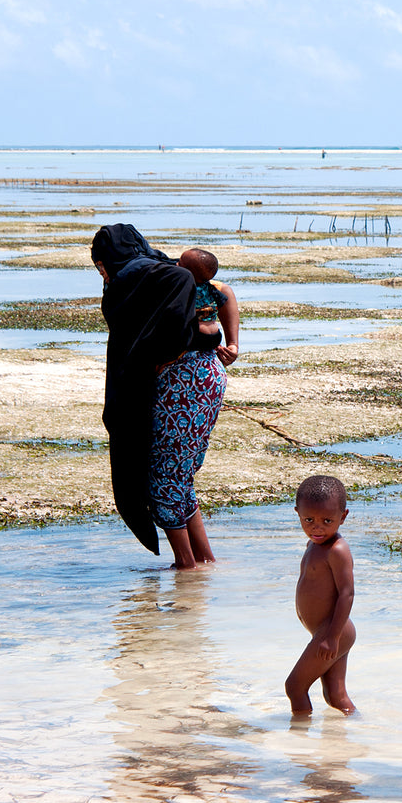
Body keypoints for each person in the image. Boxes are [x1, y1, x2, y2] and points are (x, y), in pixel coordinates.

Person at [94, 224, 227, 568]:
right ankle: (206, 564)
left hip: (181, 388)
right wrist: (229, 342)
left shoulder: (155, 278)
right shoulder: (167, 271)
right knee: (180, 477)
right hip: (207, 380)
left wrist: (169, 350)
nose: (101, 274)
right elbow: (223, 293)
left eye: (99, 265)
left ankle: (184, 567)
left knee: (163, 481)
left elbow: (172, 323)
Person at [287, 475, 357, 716]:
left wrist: (332, 636)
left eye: (328, 520)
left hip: (333, 631)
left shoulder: (337, 550)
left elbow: (347, 594)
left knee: (295, 686)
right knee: (335, 696)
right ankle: (355, 731)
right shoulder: (313, 546)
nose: (317, 527)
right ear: (298, 513)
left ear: (343, 517)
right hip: (328, 632)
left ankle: (299, 742)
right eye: (309, 520)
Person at [177, 248, 241, 368]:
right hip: (210, 369)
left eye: (179, 263)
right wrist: (233, 345)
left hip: (181, 369)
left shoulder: (176, 288)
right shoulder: (215, 290)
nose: (175, 264)